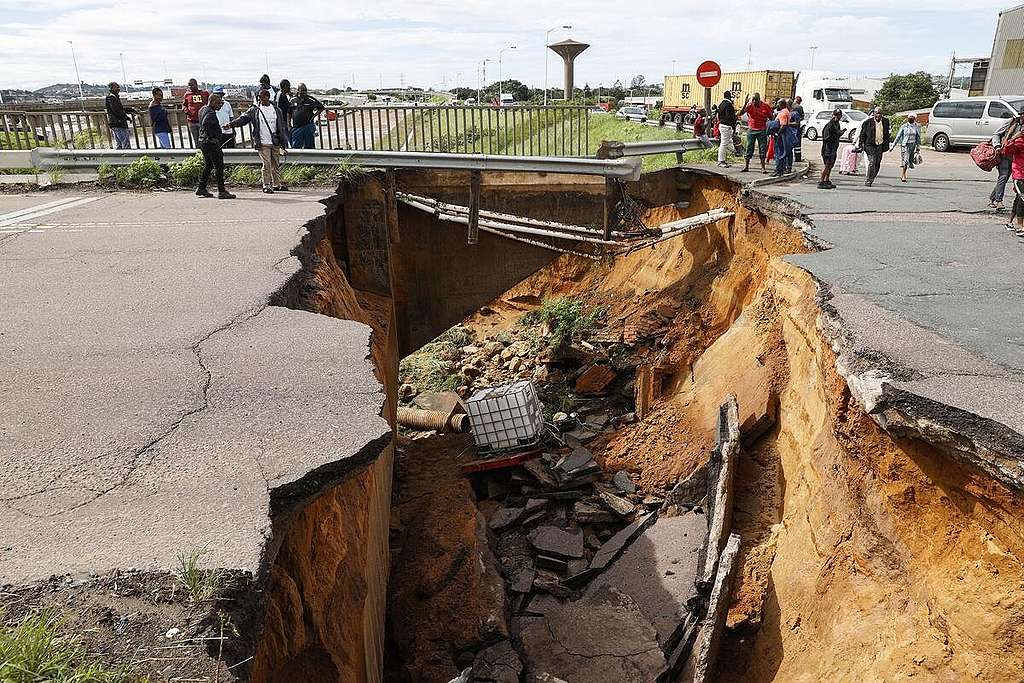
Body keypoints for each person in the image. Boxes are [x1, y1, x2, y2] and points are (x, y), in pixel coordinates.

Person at [227, 88, 290, 193]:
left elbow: (281, 126)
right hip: (262, 142)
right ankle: (266, 185)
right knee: (267, 164)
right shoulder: (254, 110)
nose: (261, 99)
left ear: (268, 97)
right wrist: (231, 124)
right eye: (259, 97)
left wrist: (283, 141)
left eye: (263, 97)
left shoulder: (276, 110)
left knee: (275, 164)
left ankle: (276, 184)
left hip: (275, 141)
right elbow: (243, 119)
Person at [195, 94, 235, 199]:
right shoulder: (210, 113)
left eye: (221, 103)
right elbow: (205, 123)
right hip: (210, 143)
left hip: (203, 142)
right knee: (219, 166)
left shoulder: (203, 109)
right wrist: (212, 137)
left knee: (208, 165)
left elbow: (203, 123)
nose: (221, 105)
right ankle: (221, 191)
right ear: (212, 102)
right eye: (218, 103)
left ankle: (201, 188)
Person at [990, 115, 1019, 210]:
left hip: (1017, 156)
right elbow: (996, 134)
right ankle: (999, 201)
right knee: (1003, 176)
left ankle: (993, 197)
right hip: (1005, 154)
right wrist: (997, 146)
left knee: (1005, 178)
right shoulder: (1012, 122)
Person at [1000, 125, 1024, 236]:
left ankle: (1010, 222)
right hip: (1019, 174)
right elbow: (1005, 150)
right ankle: (1020, 226)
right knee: (1022, 198)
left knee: (1018, 198)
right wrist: (1014, 137)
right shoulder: (1018, 142)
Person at [858, 108, 891, 187]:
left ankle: (872, 178)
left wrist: (887, 144)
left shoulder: (886, 121)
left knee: (877, 164)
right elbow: (862, 135)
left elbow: (887, 134)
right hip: (870, 145)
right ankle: (868, 180)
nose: (878, 115)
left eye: (880, 113)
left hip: (880, 145)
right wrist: (860, 145)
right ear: (874, 114)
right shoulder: (867, 123)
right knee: (872, 162)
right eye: (877, 113)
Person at [742, 92, 773, 173]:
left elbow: (771, 117)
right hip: (751, 130)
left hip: (762, 130)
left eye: (756, 101)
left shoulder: (765, 106)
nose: (754, 102)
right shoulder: (749, 105)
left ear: (759, 100)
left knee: (763, 149)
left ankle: (763, 168)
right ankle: (746, 167)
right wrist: (745, 104)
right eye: (753, 101)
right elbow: (741, 113)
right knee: (749, 148)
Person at [289, 83, 325, 149]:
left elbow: (321, 108)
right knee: (296, 147)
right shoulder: (292, 99)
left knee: (310, 146)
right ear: (298, 90)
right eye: (302, 90)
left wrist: (314, 116)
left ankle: (310, 159)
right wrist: (288, 124)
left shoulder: (311, 99)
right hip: (296, 127)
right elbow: (289, 112)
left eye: (305, 90)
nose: (304, 92)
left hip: (308, 125)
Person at [104, 82, 136, 149]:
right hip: (118, 123)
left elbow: (119, 109)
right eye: (117, 87)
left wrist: (130, 110)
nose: (118, 89)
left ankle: (121, 158)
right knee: (125, 143)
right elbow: (117, 111)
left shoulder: (113, 97)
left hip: (115, 123)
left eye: (118, 87)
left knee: (120, 144)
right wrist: (126, 117)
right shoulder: (111, 97)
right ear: (111, 88)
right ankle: (128, 157)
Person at [892, 113, 922, 183]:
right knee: (905, 160)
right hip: (905, 145)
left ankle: (904, 172)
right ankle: (903, 175)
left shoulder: (917, 127)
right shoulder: (904, 126)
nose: (910, 118)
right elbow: (898, 137)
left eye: (912, 117)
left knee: (909, 160)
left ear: (915, 118)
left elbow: (918, 138)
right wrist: (893, 146)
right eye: (910, 117)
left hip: (913, 146)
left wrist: (918, 148)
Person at [818, 108, 843, 189]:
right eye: (836, 115)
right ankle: (821, 181)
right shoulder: (829, 125)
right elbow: (826, 137)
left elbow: (837, 133)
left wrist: (840, 133)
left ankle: (827, 180)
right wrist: (836, 135)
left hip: (833, 148)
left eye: (839, 115)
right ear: (833, 115)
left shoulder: (837, 124)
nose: (837, 117)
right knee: (827, 165)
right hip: (827, 149)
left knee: (830, 165)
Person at [182, 78, 210, 147]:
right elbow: (184, 105)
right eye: (189, 85)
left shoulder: (205, 94)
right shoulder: (187, 95)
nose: (190, 87)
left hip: (203, 122)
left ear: (196, 85)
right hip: (192, 122)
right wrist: (187, 111)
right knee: (196, 141)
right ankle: (199, 155)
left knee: (205, 140)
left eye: (192, 85)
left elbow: (209, 104)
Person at [771, 99, 792, 177]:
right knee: (782, 152)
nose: (777, 105)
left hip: (781, 135)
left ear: (781, 104)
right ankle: (780, 169)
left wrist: (777, 133)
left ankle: (778, 170)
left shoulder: (783, 113)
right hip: (784, 135)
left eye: (778, 104)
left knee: (778, 153)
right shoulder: (786, 111)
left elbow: (783, 125)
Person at [716, 91, 737, 168]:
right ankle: (721, 161)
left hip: (721, 125)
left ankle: (723, 160)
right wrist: (733, 127)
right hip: (726, 126)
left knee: (725, 143)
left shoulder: (721, 104)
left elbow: (718, 116)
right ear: (729, 96)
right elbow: (730, 117)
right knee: (724, 144)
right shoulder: (729, 105)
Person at [791, 95, 805, 163]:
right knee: (797, 144)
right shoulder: (799, 107)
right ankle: (798, 158)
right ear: (800, 101)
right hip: (797, 127)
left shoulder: (790, 106)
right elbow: (802, 117)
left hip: (790, 128)